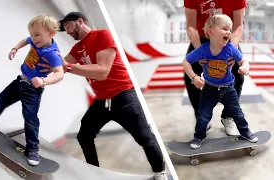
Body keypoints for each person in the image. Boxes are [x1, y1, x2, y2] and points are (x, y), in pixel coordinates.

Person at [38, 12, 168, 179]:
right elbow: (59, 67)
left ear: (80, 21)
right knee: (84, 135)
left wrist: (68, 67)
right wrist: (39, 67)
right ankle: (95, 172)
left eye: (69, 26)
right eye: (65, 30)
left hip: (124, 95)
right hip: (103, 100)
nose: (68, 32)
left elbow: (102, 72)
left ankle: (160, 173)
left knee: (144, 136)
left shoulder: (102, 35)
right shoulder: (77, 48)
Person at [0, 14, 64, 166]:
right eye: (32, 34)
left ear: (51, 33)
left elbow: (60, 73)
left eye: (37, 35)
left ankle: (33, 149)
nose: (33, 38)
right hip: (19, 81)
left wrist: (44, 80)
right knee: (1, 100)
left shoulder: (52, 53)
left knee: (30, 119)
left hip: (33, 90)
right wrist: (15, 48)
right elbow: (25, 40)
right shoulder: (35, 40)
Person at [182, 14, 258, 149]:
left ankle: (246, 132)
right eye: (224, 29)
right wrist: (194, 77)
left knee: (238, 114)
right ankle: (198, 137)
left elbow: (243, 60)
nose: (228, 32)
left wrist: (245, 66)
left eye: (230, 29)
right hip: (209, 90)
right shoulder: (203, 50)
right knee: (203, 116)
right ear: (210, 31)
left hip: (228, 89)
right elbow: (186, 62)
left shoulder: (231, 49)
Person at [184, 0, 247, 136]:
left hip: (227, 39)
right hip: (201, 39)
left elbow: (238, 25)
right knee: (190, 78)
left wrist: (232, 49)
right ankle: (201, 117)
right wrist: (199, 49)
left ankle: (228, 117)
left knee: (238, 78)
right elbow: (191, 25)